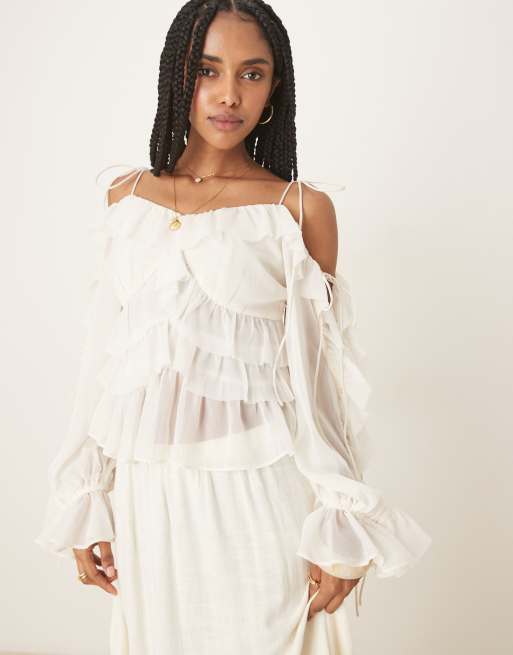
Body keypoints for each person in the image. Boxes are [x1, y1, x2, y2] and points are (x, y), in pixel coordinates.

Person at [35, 1, 432, 653]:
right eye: (207, 70)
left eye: (252, 73)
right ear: (177, 77)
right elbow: (102, 364)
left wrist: (339, 516)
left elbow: (319, 384)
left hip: (262, 493)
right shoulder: (125, 200)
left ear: (274, 89)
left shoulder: (298, 211)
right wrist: (86, 494)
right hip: (151, 495)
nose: (228, 94)